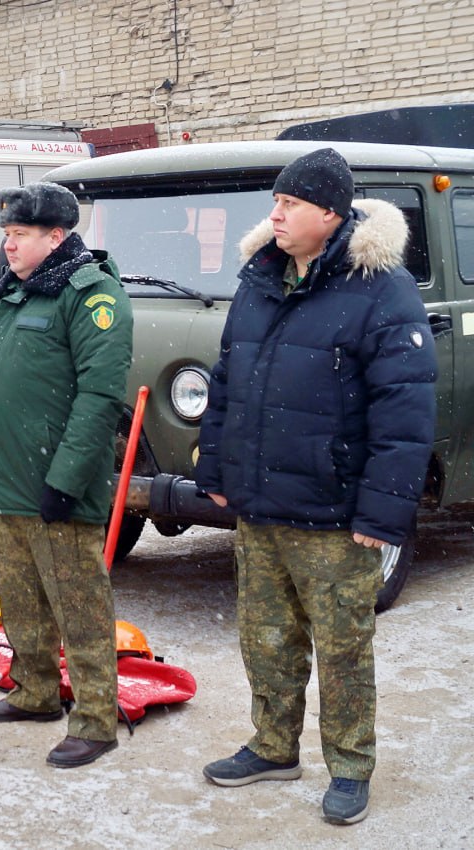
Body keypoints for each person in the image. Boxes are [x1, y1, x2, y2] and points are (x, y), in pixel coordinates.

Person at [195, 148, 438, 824]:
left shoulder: (379, 289)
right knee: (265, 638)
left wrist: (383, 514)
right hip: (261, 504)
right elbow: (226, 384)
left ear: (329, 214)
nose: (275, 214)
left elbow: (406, 411)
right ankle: (274, 747)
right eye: (275, 202)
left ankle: (352, 765)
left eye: (291, 203)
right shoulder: (260, 279)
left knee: (341, 648)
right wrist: (214, 470)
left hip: (334, 514)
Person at [0, 182, 133, 769]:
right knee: (22, 599)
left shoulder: (91, 297)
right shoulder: (16, 294)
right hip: (10, 480)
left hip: (58, 486)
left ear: (57, 237)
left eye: (20, 235)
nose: (9, 246)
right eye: (7, 235)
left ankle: (95, 717)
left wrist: (65, 479)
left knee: (80, 604)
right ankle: (35, 691)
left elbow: (98, 397)